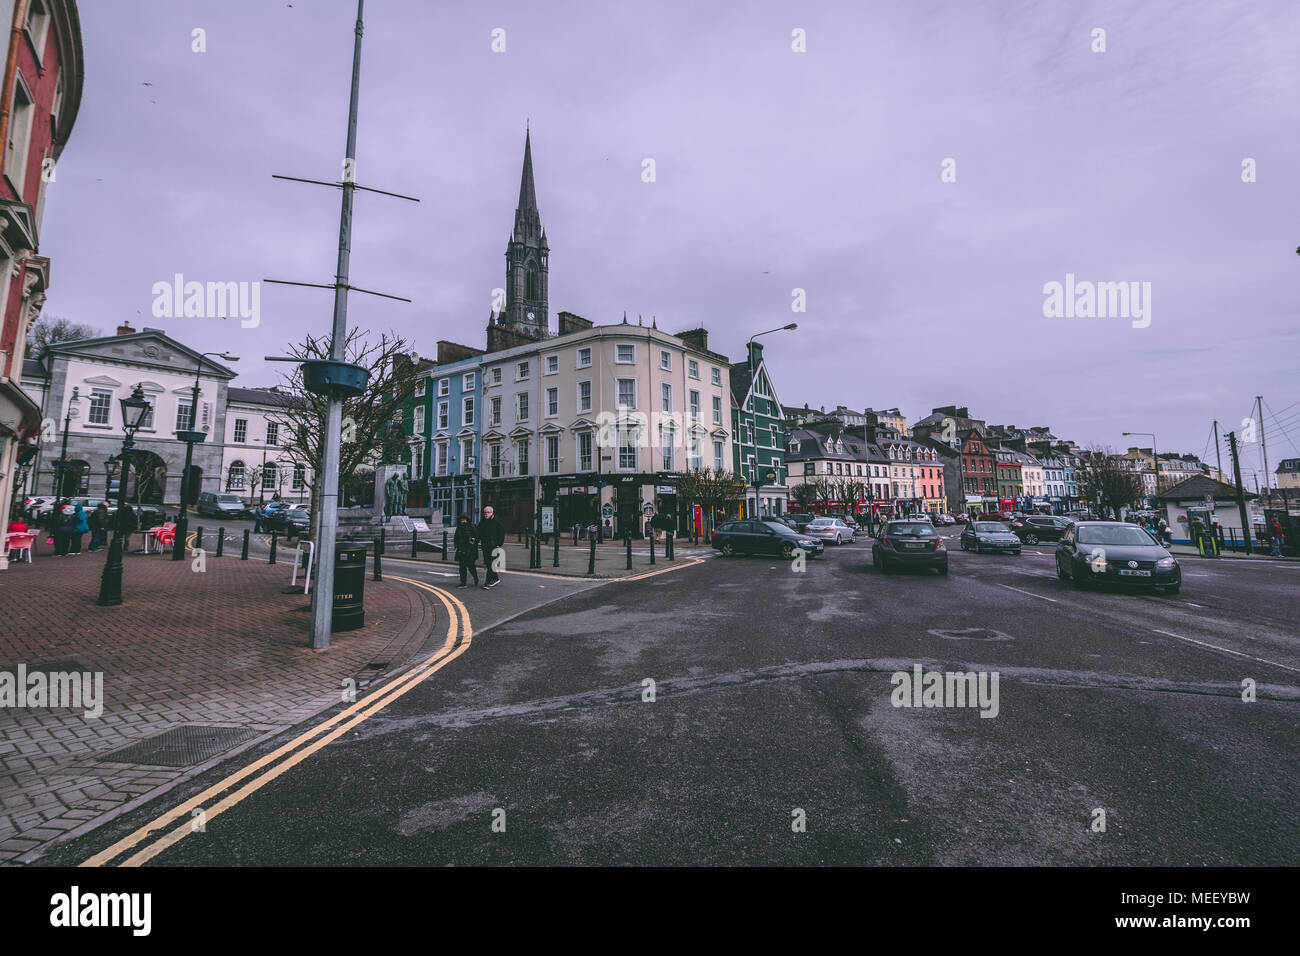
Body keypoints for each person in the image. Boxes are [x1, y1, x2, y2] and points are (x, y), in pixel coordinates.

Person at [475, 505, 505, 589]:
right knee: (488, 564)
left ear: (492, 513)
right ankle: (495, 578)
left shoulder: (496, 522)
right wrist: (476, 540)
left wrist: (499, 544)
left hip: (494, 546)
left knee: (491, 564)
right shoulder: (482, 522)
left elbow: (501, 533)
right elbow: (478, 532)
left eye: (488, 512)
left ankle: (487, 583)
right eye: (485, 512)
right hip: (485, 546)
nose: (486, 514)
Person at [453, 515, 479, 588]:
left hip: (470, 550)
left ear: (467, 520)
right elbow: (456, 538)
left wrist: (471, 543)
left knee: (471, 566)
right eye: (461, 520)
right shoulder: (459, 528)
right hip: (461, 550)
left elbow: (476, 537)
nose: (463, 521)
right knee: (462, 567)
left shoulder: (472, 527)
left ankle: (475, 578)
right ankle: (463, 583)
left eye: (464, 520)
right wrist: (456, 546)